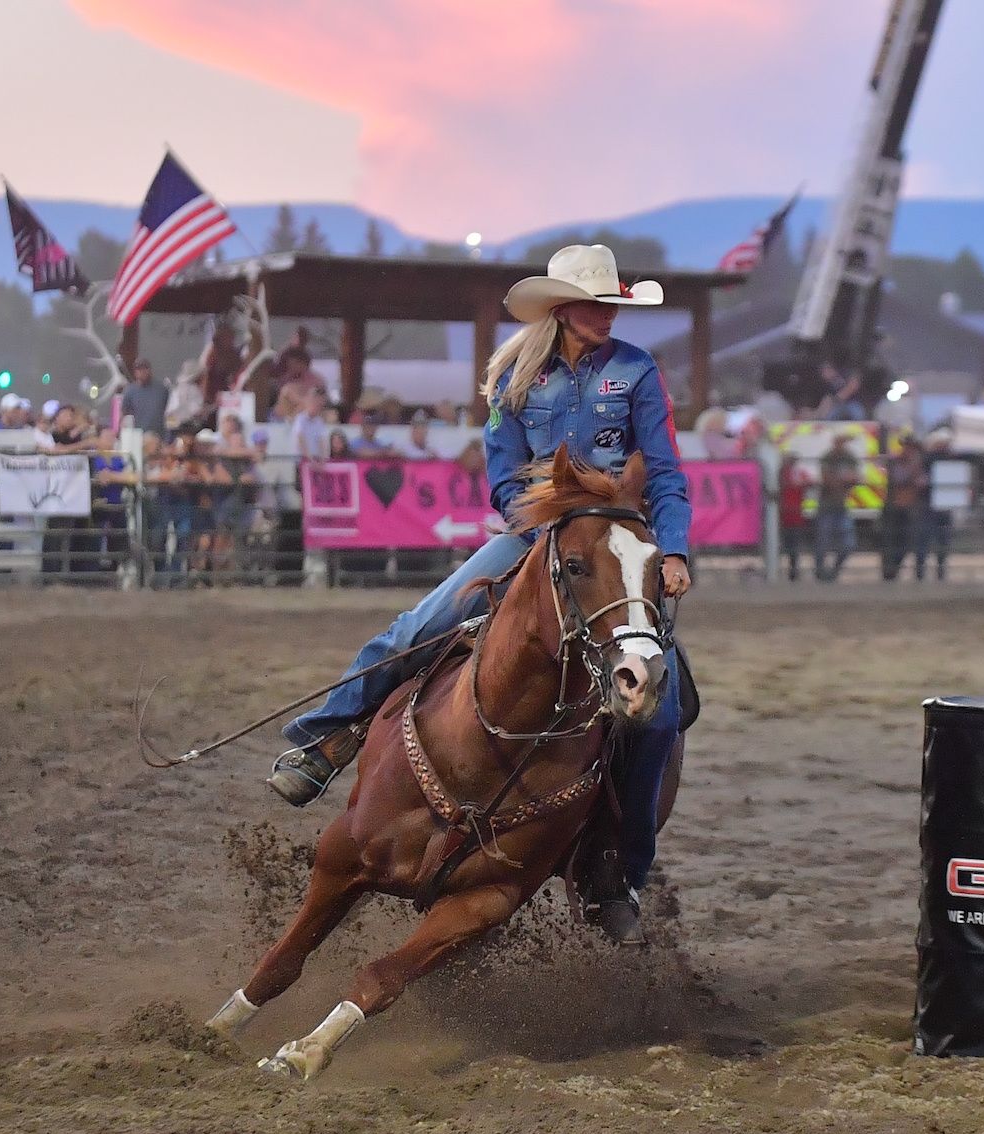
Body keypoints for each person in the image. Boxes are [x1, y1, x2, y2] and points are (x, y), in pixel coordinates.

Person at [266, 244, 689, 945]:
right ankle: (328, 740)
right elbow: (501, 476)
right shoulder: (516, 380)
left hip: (617, 550)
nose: (604, 314)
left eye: (609, 304)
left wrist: (670, 547)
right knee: (420, 626)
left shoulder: (637, 372)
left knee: (662, 715)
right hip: (536, 539)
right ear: (561, 308)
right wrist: (543, 511)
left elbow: (666, 470)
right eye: (593, 303)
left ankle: (617, 870)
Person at [879, 433, 929, 581]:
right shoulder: (896, 462)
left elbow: (923, 482)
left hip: (909, 508)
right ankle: (889, 573)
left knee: (905, 542)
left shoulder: (918, 463)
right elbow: (899, 478)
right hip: (894, 507)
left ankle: (894, 570)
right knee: (890, 542)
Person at [815, 433, 859, 581]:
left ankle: (834, 571)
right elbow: (827, 479)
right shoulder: (827, 457)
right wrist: (843, 480)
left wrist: (844, 480)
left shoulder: (850, 457)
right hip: (826, 505)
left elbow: (855, 477)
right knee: (823, 542)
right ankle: (820, 572)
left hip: (842, 505)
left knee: (848, 544)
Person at [912, 429, 955, 581]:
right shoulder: (928, 459)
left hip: (941, 504)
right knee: (925, 540)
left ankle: (938, 572)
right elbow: (919, 481)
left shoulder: (947, 460)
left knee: (941, 540)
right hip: (929, 504)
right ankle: (922, 572)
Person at [778, 452, 816, 581]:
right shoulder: (783, 474)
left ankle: (791, 572)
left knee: (791, 546)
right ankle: (791, 572)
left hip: (791, 515)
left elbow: (810, 483)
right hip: (789, 514)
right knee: (792, 546)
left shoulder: (793, 474)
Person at [121, 357, 169, 435]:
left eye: (144, 369)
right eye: (138, 369)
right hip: (138, 435)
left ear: (149, 370)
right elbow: (124, 413)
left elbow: (169, 411)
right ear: (135, 372)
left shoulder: (162, 389)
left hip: (159, 435)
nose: (141, 372)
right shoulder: (130, 391)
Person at [165, 359, 211, 434]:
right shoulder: (193, 390)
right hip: (187, 428)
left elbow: (170, 413)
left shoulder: (177, 389)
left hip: (173, 426)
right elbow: (196, 411)